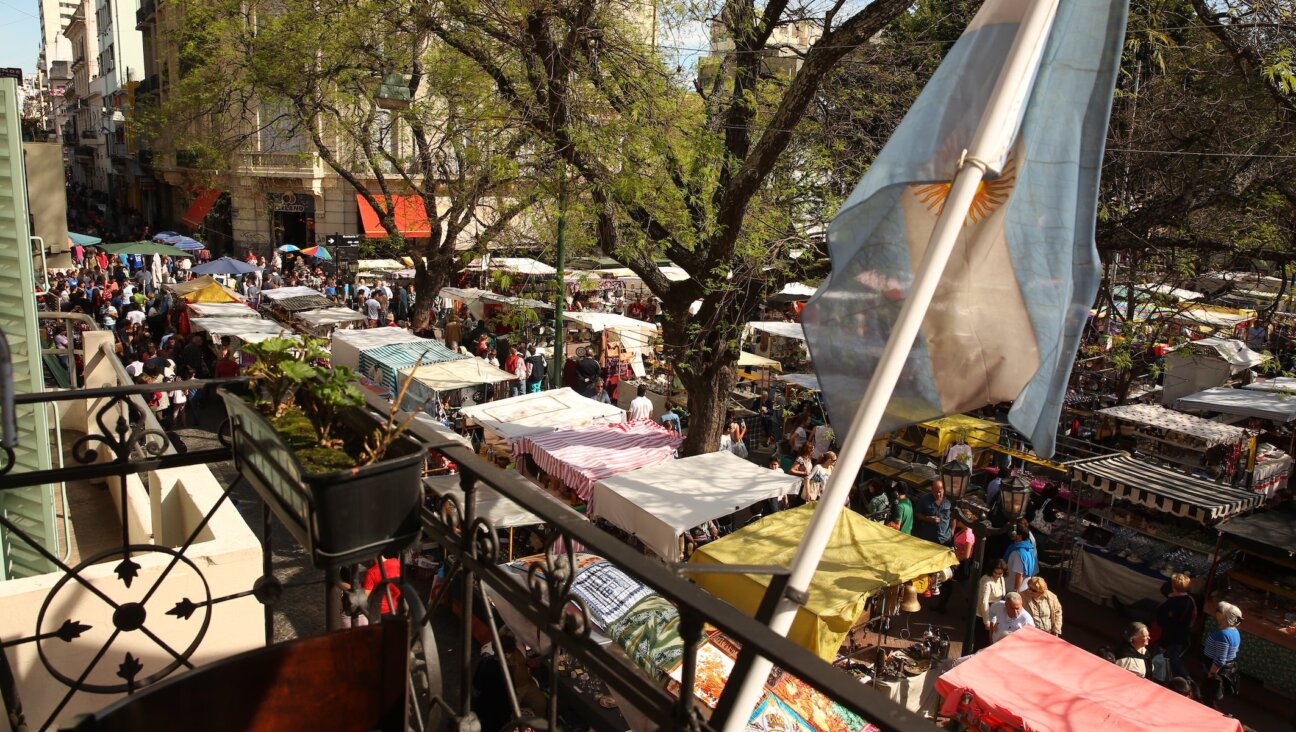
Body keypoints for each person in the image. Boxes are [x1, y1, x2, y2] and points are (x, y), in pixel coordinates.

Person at [1156, 572, 1197, 680]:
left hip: (1171, 635)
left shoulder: (1172, 602)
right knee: (1173, 657)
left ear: (1173, 587)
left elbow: (1163, 620)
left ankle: (1185, 679)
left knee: (1170, 658)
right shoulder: (1190, 600)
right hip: (1183, 634)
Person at [1203, 602, 1243, 708]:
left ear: (1225, 617)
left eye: (1219, 611)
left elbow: (1220, 659)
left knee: (1208, 698)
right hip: (1224, 668)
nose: (1216, 612)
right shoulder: (1235, 631)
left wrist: (1211, 675)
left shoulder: (1223, 635)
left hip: (1214, 669)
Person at [976, 560, 1008, 651]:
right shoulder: (986, 581)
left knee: (992, 642)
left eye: (1000, 573)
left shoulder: (1001, 579)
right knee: (981, 642)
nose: (997, 575)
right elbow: (984, 602)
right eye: (995, 573)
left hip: (996, 613)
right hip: (984, 613)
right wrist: (986, 622)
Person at [912, 479, 952, 545]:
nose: (938, 494)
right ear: (932, 490)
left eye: (940, 492)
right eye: (935, 492)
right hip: (929, 539)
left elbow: (953, 518)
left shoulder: (949, 501)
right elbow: (917, 514)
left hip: (945, 539)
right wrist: (928, 518)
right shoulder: (924, 499)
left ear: (943, 490)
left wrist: (952, 532)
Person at [1003, 525, 1037, 593]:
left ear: (1019, 536)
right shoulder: (1029, 548)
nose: (1011, 534)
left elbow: (1019, 574)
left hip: (1013, 590)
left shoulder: (1018, 553)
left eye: (1014, 533)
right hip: (1024, 588)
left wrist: (1016, 591)